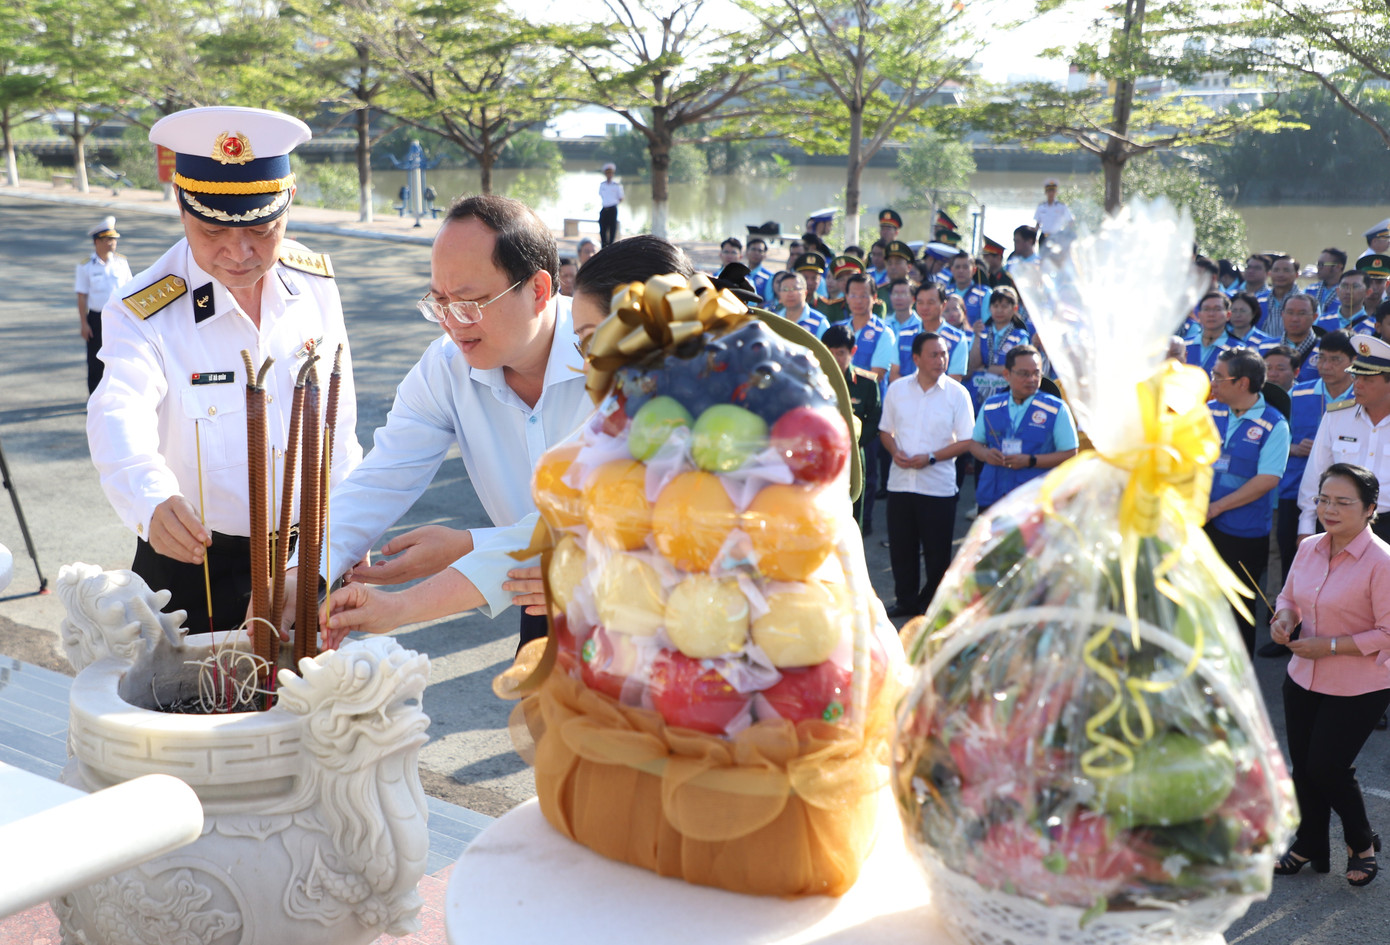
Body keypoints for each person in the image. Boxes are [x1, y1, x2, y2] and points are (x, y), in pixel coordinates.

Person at [87, 106, 362, 635]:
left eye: (263, 229)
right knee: (185, 711)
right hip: (196, 563)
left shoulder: (315, 285)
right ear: (181, 206)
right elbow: (118, 408)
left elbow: (339, 427)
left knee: (316, 710)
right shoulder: (143, 309)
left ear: (290, 203)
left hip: (311, 554)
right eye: (213, 231)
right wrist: (150, 496)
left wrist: (347, 537)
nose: (239, 253)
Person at [295, 194, 588, 650]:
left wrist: (464, 549)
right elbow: (382, 478)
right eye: (439, 303)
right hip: (540, 601)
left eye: (469, 302)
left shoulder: (614, 358)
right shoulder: (447, 367)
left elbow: (594, 524)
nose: (453, 324)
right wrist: (302, 575)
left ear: (539, 289)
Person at [1271, 462, 1390, 886]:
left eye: (1343, 502)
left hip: (1361, 684)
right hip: (1303, 674)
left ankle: (1362, 842)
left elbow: (1387, 632)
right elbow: (1289, 597)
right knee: (1302, 766)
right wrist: (1283, 620)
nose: (1329, 509)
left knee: (1327, 766)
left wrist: (1330, 646)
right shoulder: (1309, 547)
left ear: (1370, 508)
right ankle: (1308, 843)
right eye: (1324, 500)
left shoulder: (1382, 562)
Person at [1264, 331, 1356, 660]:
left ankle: (1333, 631)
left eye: (1336, 360)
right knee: (1296, 557)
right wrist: (1292, 447)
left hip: (1344, 497)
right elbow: (1276, 430)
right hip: (1297, 489)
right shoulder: (1299, 391)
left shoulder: (1361, 395)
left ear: (1353, 364)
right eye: (1322, 358)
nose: (1326, 366)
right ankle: (1289, 630)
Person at [879, 332, 975, 617]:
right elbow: (886, 430)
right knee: (902, 549)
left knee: (937, 553)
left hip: (937, 486)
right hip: (900, 483)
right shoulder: (897, 390)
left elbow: (967, 441)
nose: (940, 360)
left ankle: (931, 604)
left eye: (944, 354)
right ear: (916, 358)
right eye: (933, 354)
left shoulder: (957, 394)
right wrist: (894, 450)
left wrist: (932, 458)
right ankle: (905, 600)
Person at [1206, 346, 1290, 654]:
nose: (1211, 381)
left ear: (1242, 383)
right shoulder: (1210, 411)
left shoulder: (1274, 424)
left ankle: (1240, 686)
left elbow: (1267, 479)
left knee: (1237, 609)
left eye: (1218, 376)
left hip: (1242, 531)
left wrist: (1215, 507)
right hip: (1203, 525)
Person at [1298, 334, 1390, 547]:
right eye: (1356, 377)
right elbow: (1316, 474)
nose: (1357, 385)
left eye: (1367, 379)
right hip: (1338, 523)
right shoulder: (1336, 417)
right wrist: (1306, 528)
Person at [969, 345, 1079, 513]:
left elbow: (1070, 453)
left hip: (1034, 501)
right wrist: (986, 455)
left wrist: (1031, 460)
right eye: (1024, 374)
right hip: (993, 497)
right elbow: (975, 444)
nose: (1031, 379)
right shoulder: (991, 405)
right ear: (1007, 374)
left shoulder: (1056, 409)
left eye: (1036, 373)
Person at [823, 324, 880, 532]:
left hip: (854, 456)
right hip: (820, 456)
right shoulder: (813, 380)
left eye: (840, 353)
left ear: (852, 352)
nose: (835, 359)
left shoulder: (866, 383)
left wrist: (852, 445)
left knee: (852, 514)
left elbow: (874, 420)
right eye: (829, 352)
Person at [75, 215, 133, 394]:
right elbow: (82, 296)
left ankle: (115, 396)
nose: (112, 243)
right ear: (96, 242)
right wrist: (84, 323)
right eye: (107, 239)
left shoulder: (122, 263)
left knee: (119, 358)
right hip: (96, 318)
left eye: (114, 239)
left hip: (119, 318)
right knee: (95, 362)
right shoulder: (86, 266)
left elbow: (130, 291)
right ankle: (94, 401)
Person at [966, 284, 1031, 410]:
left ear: (1015, 308)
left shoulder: (1020, 336)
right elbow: (973, 365)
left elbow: (1016, 368)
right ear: (989, 308)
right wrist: (977, 336)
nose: (999, 310)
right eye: (995, 306)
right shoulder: (982, 331)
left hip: (1006, 390)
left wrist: (987, 368)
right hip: (978, 389)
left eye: (1004, 306)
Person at [897, 283, 967, 383]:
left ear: (943, 305)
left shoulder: (957, 339)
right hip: (906, 396)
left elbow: (954, 380)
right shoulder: (903, 335)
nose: (925, 307)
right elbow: (894, 374)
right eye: (920, 302)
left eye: (930, 303)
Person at [1185, 291, 1239, 376]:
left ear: (1228, 315)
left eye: (1217, 309)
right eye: (1206, 309)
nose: (1211, 314)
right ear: (1199, 315)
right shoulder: (1184, 345)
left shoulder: (1237, 350)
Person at [1277, 293, 1323, 384]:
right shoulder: (1265, 346)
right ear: (1282, 314)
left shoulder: (1325, 349)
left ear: (1314, 317)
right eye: (1290, 312)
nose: (1294, 319)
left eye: (1302, 313)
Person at [1317, 269, 1375, 335]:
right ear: (1337, 291)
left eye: (1355, 286)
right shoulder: (1322, 321)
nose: (1348, 291)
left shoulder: (1373, 326)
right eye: (1344, 286)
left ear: (1368, 292)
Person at [775, 271, 829, 339]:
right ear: (779, 294)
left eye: (795, 289)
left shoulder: (820, 323)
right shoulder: (774, 320)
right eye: (785, 289)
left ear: (805, 292)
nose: (790, 293)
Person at [1306, 247, 1347, 316]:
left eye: (1321, 264)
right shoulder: (1309, 290)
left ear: (1338, 267)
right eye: (1318, 264)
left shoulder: (1349, 292)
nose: (1318, 267)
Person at [598, 163, 623, 247]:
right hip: (604, 208)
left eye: (610, 173)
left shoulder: (617, 186)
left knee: (612, 230)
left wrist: (613, 203)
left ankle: (611, 247)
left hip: (612, 209)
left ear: (613, 174)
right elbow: (601, 195)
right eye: (607, 173)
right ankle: (603, 246)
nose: (609, 175)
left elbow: (621, 198)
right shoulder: (602, 185)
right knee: (602, 229)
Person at [745, 237, 775, 305]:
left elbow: (769, 302)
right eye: (753, 249)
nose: (756, 253)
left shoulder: (769, 277)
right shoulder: (739, 273)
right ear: (746, 252)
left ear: (765, 255)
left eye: (760, 251)